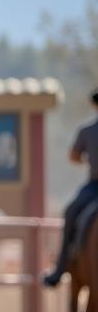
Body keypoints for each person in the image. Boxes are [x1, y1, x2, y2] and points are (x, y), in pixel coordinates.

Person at [43, 91, 98, 287]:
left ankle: (61, 267)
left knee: (72, 212)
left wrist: (88, 159)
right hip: (94, 186)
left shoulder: (87, 130)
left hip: (94, 186)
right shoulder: (87, 130)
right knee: (71, 211)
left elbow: (73, 156)